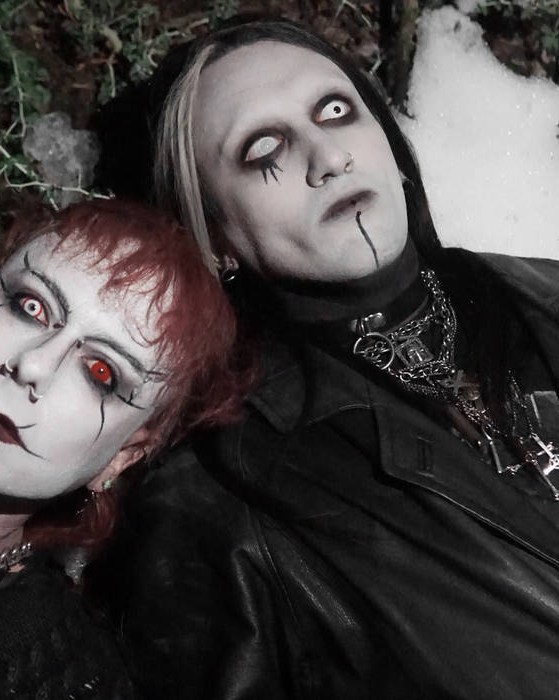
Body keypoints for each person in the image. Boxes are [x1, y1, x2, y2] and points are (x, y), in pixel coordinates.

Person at [99, 18, 559, 700]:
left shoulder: (544, 293)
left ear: (391, 148)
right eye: (263, 149)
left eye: (337, 112)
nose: (328, 158)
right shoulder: (218, 504)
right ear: (215, 237)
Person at [0, 197, 246, 698]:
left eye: (101, 373)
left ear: (124, 454)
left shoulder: (53, 679)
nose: (33, 367)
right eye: (31, 307)